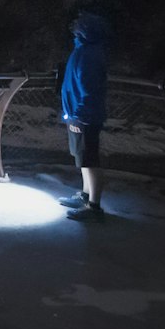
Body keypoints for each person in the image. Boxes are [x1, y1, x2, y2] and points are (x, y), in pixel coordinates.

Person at [59, 11, 111, 220]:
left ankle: (94, 206)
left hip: (84, 116)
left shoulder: (87, 55)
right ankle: (86, 195)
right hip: (79, 114)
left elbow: (89, 89)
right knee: (82, 158)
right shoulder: (85, 51)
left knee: (89, 159)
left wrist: (79, 114)